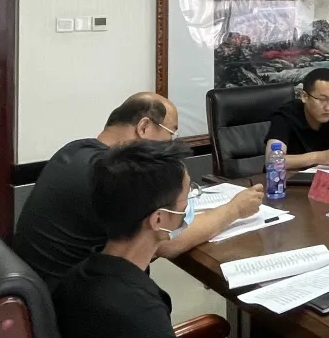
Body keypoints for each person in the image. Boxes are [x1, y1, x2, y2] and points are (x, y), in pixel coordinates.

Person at [14, 93, 262, 289]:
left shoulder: (77, 150)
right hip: (78, 307)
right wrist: (234, 209)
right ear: (144, 127)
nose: (170, 146)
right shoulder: (111, 176)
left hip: (47, 291)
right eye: (171, 135)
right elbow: (164, 241)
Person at [54, 140, 232, 338]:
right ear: (158, 219)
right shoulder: (136, 312)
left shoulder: (79, 277)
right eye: (186, 200)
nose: (189, 207)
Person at [265, 67, 329, 169]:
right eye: (322, 99)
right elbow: (273, 161)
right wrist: (317, 157)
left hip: (321, 174)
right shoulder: (285, 115)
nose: (328, 107)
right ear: (304, 96)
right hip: (286, 177)